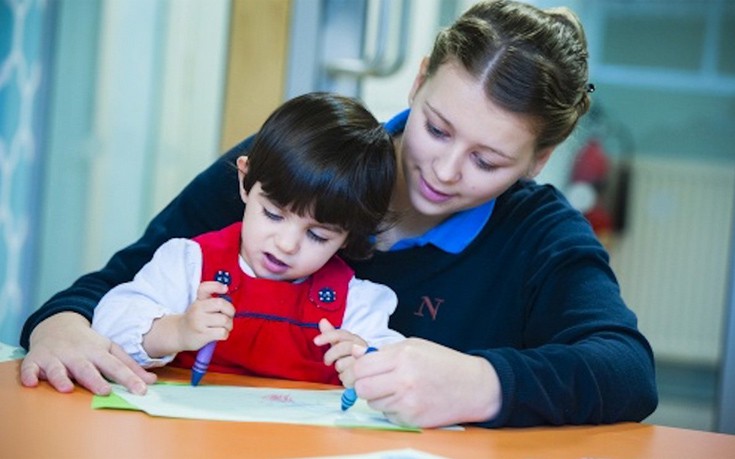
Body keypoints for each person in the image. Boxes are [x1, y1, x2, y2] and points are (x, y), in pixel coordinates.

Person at [20, 0, 658, 428]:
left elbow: (626, 370)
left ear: (539, 160)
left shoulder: (539, 236)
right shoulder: (299, 168)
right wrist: (59, 323)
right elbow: (123, 279)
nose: (443, 171)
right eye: (436, 128)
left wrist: (482, 382)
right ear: (416, 83)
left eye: (487, 161)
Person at [90, 92, 404, 386]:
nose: (286, 244)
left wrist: (367, 363)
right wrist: (176, 330)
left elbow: (401, 369)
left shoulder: (356, 305)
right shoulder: (189, 265)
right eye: (274, 215)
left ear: (349, 236)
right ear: (245, 181)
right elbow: (109, 324)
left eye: (317, 235)